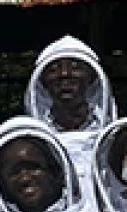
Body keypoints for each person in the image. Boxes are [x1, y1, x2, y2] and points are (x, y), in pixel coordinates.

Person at [24, 36, 114, 190]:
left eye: (76, 67)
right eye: (53, 69)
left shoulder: (113, 137)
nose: (64, 74)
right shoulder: (29, 142)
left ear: (92, 77)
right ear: (42, 82)